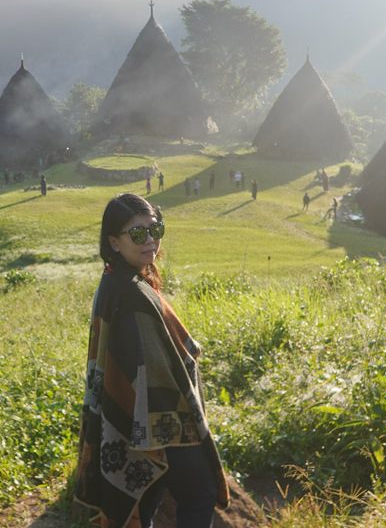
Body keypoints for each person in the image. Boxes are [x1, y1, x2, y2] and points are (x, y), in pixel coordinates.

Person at [75, 194, 229, 528]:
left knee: (143, 504)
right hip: (162, 421)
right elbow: (152, 367)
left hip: (135, 420)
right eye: (138, 233)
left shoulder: (115, 281)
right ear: (114, 242)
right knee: (199, 494)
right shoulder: (131, 294)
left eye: (155, 229)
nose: (150, 240)